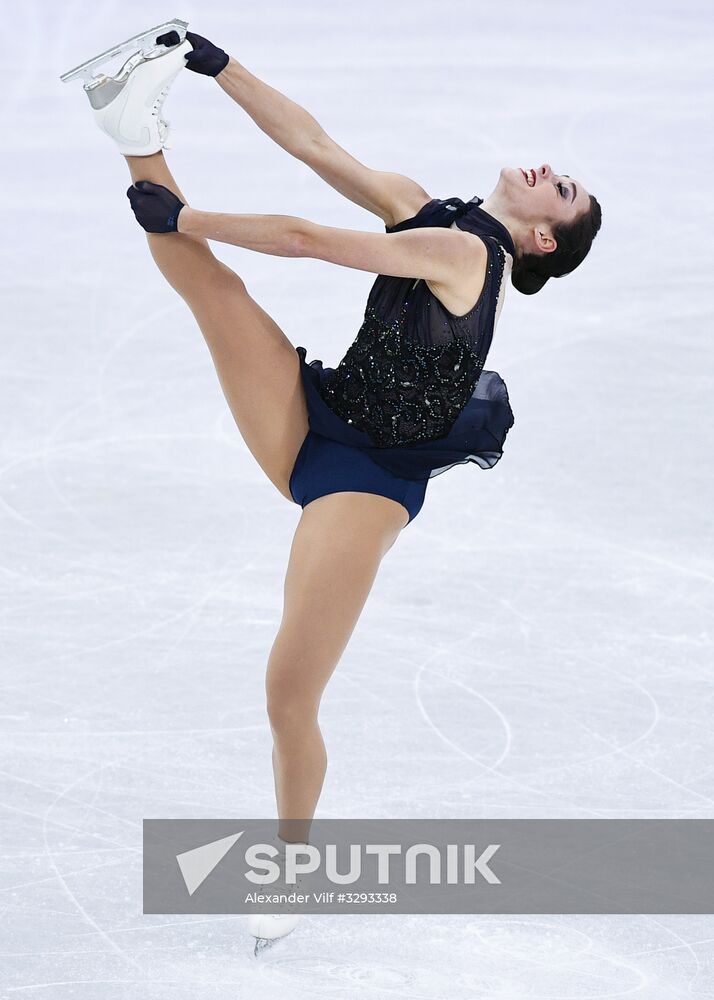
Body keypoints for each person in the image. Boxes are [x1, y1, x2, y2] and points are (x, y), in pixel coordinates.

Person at [62, 25, 602, 951]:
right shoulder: (439, 215)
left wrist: (183, 218)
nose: (550, 169)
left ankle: (293, 872)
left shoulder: (466, 256)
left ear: (544, 235)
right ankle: (130, 123)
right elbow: (316, 148)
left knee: (287, 693)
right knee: (216, 294)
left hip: (370, 476)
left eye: (564, 187)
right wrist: (216, 63)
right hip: (323, 411)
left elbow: (310, 239)